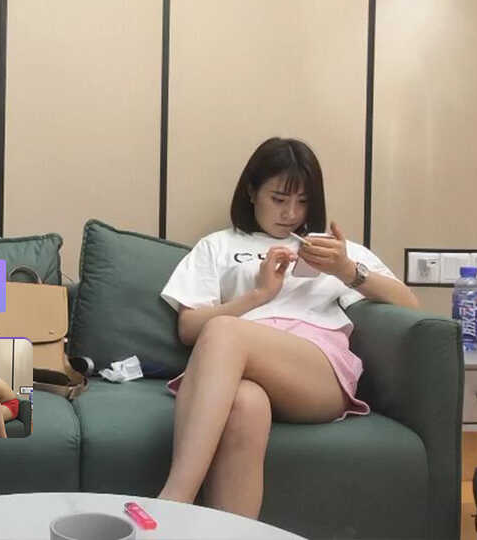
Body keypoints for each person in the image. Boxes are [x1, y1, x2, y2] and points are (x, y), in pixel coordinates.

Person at [157, 137, 419, 518]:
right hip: (235, 371)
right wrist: (259, 295)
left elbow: (411, 307)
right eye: (279, 199)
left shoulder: (331, 251)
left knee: (225, 331)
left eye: (302, 202)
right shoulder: (218, 246)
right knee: (245, 404)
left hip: (314, 372)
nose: (291, 213)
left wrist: (346, 270)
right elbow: (189, 327)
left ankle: (172, 503)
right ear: (252, 192)